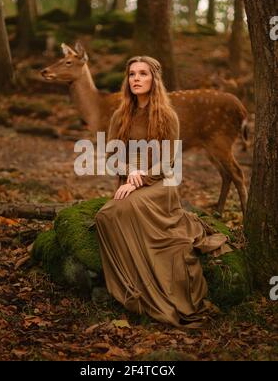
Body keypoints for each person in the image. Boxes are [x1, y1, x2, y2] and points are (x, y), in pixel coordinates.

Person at [94, 56, 231, 327]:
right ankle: (131, 289)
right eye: (132, 74)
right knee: (105, 216)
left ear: (154, 79)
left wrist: (140, 176)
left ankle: (156, 294)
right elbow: (110, 155)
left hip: (160, 185)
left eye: (143, 74)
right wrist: (128, 171)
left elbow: (168, 161)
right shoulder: (120, 115)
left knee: (125, 208)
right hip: (129, 182)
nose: (136, 79)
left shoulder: (167, 116)